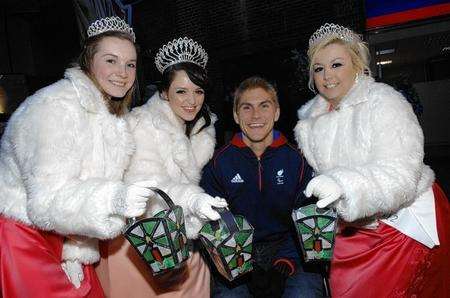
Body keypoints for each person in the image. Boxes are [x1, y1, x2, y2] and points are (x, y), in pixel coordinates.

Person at [0, 16, 156, 297]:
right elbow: (46, 201)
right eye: (111, 60)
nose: (122, 72)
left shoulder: (110, 116)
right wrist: (115, 199)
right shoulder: (56, 106)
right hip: (23, 238)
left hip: (70, 240)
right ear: (88, 61)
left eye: (130, 64)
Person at [295, 23, 450, 297]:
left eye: (337, 64)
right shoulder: (310, 121)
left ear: (357, 65)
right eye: (319, 69)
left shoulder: (384, 102)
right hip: (352, 228)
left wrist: (344, 186)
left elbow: (401, 173)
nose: (327, 75)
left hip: (404, 224)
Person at [95, 37, 228, 297]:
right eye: (181, 91)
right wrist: (194, 199)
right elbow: (152, 187)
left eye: (198, 91)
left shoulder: (202, 133)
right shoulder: (143, 123)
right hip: (143, 245)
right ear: (165, 93)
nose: (191, 100)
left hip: (182, 241)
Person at [200, 76, 325, 298]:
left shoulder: (298, 160)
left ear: (276, 112)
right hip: (236, 254)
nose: (255, 115)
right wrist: (245, 267)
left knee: (304, 294)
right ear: (236, 116)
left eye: (264, 106)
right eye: (246, 108)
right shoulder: (218, 163)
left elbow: (306, 220)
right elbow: (216, 225)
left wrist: (283, 265)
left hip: (291, 251)